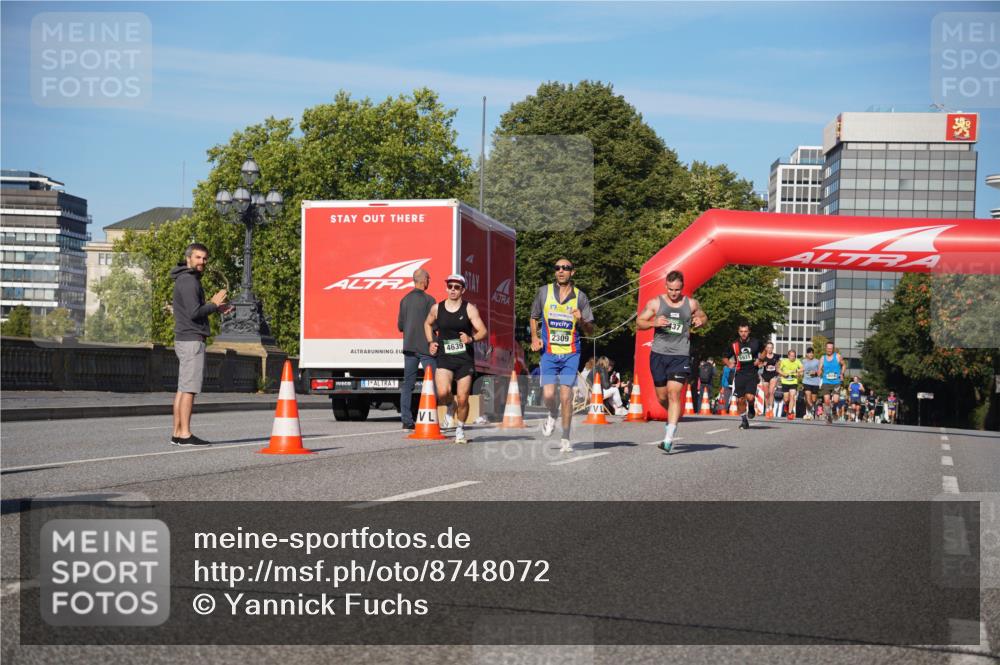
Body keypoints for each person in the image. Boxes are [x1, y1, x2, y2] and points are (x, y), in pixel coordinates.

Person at [636, 270, 708, 452]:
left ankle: (669, 437)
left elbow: (703, 316)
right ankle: (673, 417)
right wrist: (654, 323)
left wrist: (701, 320)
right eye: (670, 289)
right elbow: (639, 322)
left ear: (682, 288)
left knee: (674, 393)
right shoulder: (655, 303)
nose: (674, 293)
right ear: (666, 286)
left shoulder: (691, 303)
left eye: (677, 290)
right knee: (662, 397)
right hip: (659, 354)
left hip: (680, 355)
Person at [530, 259, 595, 452]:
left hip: (570, 354)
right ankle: (552, 414)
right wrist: (534, 337)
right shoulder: (544, 292)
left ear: (572, 272)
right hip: (549, 352)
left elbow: (590, 330)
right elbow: (534, 317)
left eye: (565, 268)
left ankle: (565, 439)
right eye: (557, 268)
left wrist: (581, 319)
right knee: (550, 395)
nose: (561, 271)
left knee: (566, 397)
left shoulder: (580, 298)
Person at [170, 243, 229, 446]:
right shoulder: (189, 281)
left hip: (186, 339)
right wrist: (213, 304)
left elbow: (193, 310)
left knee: (183, 388)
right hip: (192, 340)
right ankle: (185, 434)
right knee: (189, 389)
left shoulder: (185, 279)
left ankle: (177, 433)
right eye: (198, 258)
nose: (202, 262)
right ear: (188, 259)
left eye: (204, 258)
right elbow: (194, 313)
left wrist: (215, 308)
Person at [424, 274, 487, 444]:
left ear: (463, 290)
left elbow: (483, 331)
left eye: (456, 287)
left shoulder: (469, 309)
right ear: (446, 288)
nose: (452, 289)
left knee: (463, 397)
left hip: (464, 359)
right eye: (450, 286)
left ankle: (460, 429)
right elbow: (427, 324)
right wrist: (431, 342)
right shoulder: (437, 308)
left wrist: (471, 339)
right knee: (443, 393)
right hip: (445, 357)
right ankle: (450, 407)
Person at [398, 268, 437, 430]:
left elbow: (400, 326)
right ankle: (432, 417)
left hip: (409, 348)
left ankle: (407, 420)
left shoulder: (404, 300)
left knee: (408, 384)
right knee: (434, 382)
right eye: (428, 279)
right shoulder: (429, 300)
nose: (429, 281)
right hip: (426, 348)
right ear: (424, 280)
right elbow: (435, 324)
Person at [725, 323, 764, 431]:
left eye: (745, 331)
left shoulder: (755, 342)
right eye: (741, 331)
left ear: (749, 332)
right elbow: (724, 357)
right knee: (740, 400)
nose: (743, 334)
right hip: (740, 374)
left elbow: (764, 350)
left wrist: (760, 360)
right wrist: (729, 364)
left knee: (750, 397)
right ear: (738, 332)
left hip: (752, 373)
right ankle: (744, 420)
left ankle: (751, 406)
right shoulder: (734, 344)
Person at [819, 341, 846, 425]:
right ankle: (828, 416)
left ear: (833, 349)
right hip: (826, 381)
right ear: (826, 348)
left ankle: (834, 410)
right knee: (826, 401)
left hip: (836, 381)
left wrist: (841, 373)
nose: (829, 350)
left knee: (836, 400)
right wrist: (818, 372)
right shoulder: (823, 358)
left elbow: (844, 365)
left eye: (831, 348)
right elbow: (819, 368)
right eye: (828, 348)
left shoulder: (838, 356)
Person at [778, 349, 803, 421]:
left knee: (792, 396)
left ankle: (790, 412)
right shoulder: (784, 361)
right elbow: (778, 369)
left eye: (794, 356)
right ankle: (786, 405)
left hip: (793, 382)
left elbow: (802, 368)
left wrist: (797, 371)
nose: (792, 357)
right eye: (791, 356)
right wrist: (783, 374)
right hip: (785, 381)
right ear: (788, 356)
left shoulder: (797, 361)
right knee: (786, 399)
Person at [759, 342, 780, 417]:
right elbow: (758, 365)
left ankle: (771, 408)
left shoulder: (776, 356)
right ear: (766, 348)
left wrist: (779, 374)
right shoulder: (763, 357)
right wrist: (762, 365)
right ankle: (767, 408)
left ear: (773, 348)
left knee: (771, 392)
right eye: (768, 347)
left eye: (771, 347)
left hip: (773, 375)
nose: (769, 349)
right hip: (765, 376)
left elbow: (777, 366)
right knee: (766, 393)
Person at [800, 347, 822, 420]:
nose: (811, 354)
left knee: (813, 400)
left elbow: (820, 372)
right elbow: (801, 369)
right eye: (809, 353)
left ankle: (812, 410)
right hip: (806, 381)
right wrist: (799, 372)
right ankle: (809, 412)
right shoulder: (803, 361)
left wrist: (815, 372)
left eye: (812, 353)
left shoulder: (817, 361)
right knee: (807, 396)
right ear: (807, 354)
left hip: (815, 382)